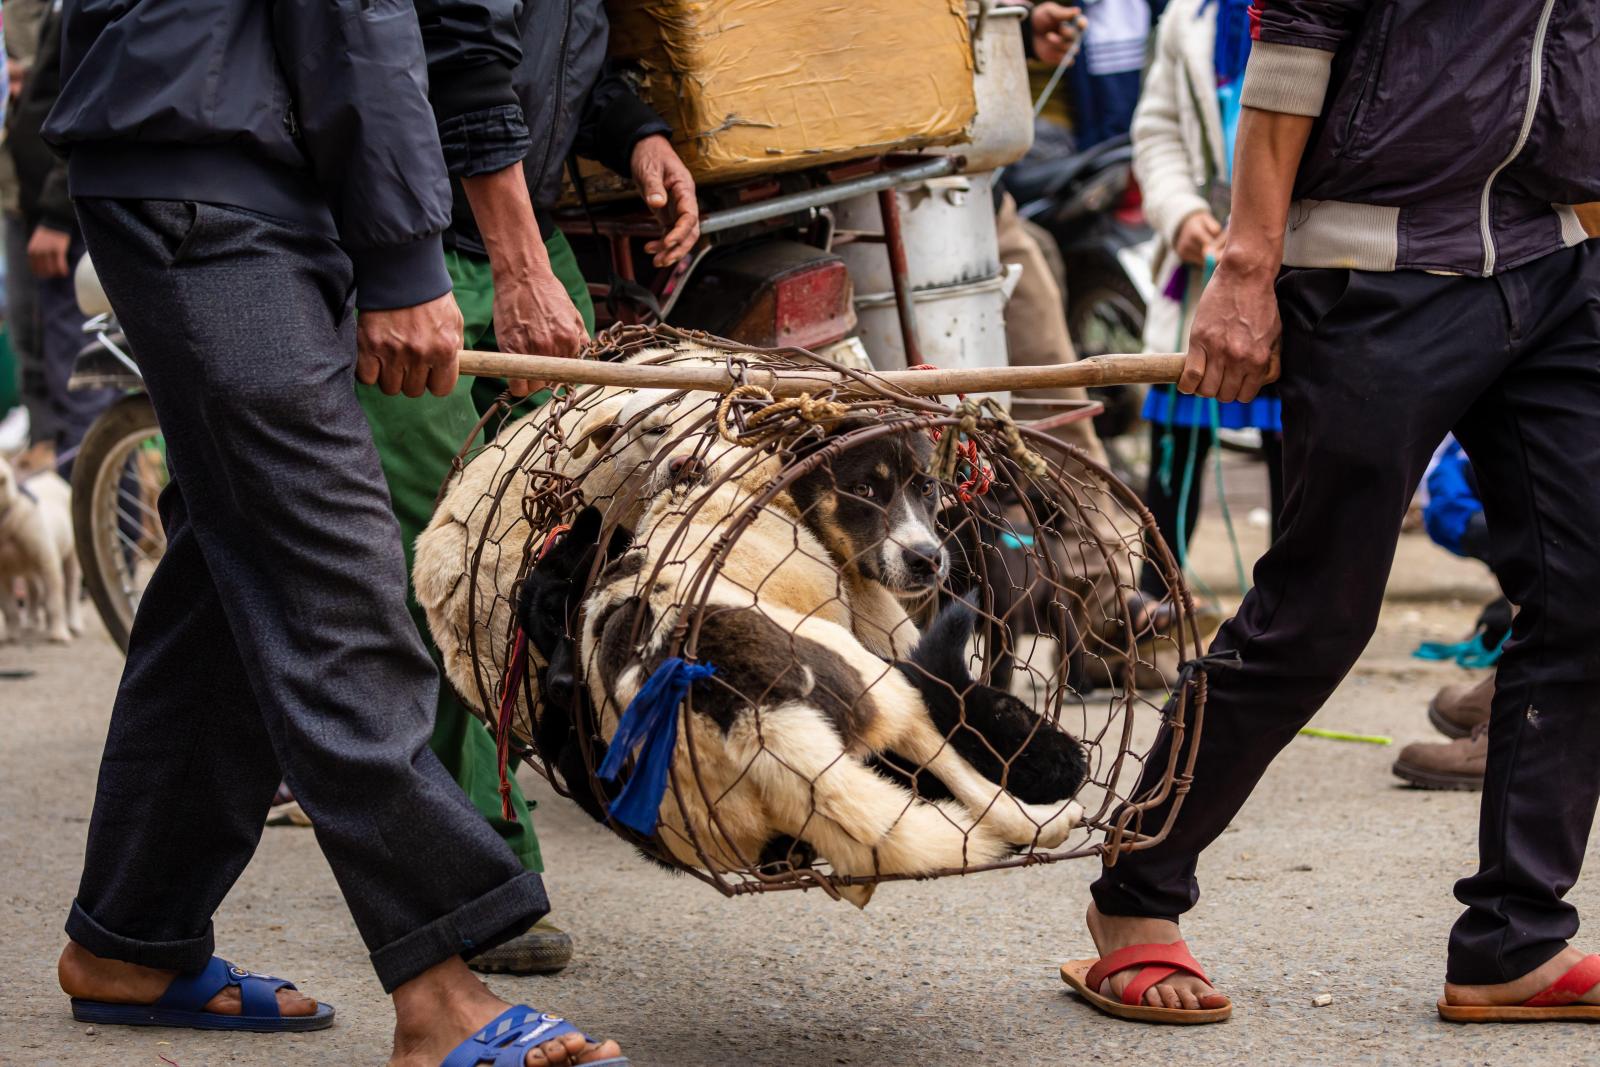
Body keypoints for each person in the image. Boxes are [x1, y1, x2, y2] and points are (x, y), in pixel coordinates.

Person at [45, 1, 625, 1062]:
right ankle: (438, 983)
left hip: (230, 163)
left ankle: (131, 939)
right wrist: (408, 260)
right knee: (334, 571)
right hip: (209, 180)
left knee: (233, 575)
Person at [1067, 0, 1600, 1024]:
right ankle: (1134, 897)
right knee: (1316, 613)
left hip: (1551, 263)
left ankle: (1514, 939)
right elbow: (1293, 40)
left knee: (1588, 593)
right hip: (1372, 272)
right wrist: (1246, 267)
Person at [356, 0, 698, 977]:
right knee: (455, 571)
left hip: (520, 241)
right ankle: (472, 879)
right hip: (425, 256)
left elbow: (549, 62)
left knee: (542, 557)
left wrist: (636, 132)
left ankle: (153, 895)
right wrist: (514, 260)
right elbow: (461, 57)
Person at [1126, 0, 1283, 635]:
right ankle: (1152, 602)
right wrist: (1183, 214)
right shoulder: (1188, 17)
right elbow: (1157, 131)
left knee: (1296, 444)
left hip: (1298, 258)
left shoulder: (1329, 14)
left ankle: (1290, 607)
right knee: (1178, 436)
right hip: (1210, 263)